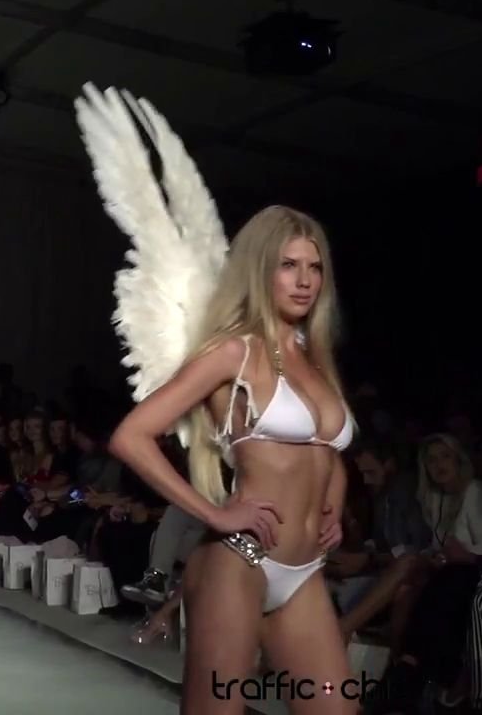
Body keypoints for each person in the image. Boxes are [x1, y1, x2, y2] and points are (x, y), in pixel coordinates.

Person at [108, 204, 355, 714]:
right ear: (259, 270)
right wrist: (214, 514)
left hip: (306, 569)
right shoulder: (233, 353)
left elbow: (326, 451)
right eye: (289, 265)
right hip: (241, 560)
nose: (304, 280)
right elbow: (131, 436)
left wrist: (334, 504)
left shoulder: (315, 358)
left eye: (314, 267)